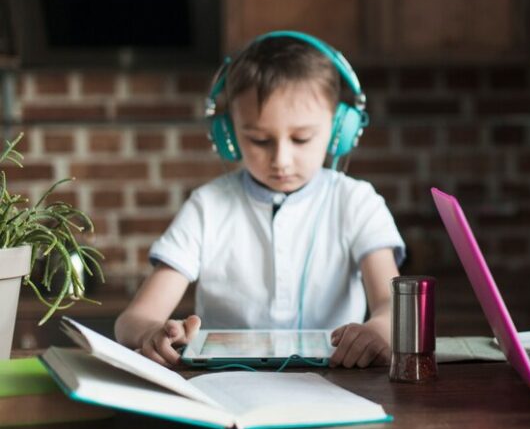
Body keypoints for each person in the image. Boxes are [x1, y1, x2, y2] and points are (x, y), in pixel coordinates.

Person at [115, 31, 404, 369]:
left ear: (340, 129)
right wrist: (152, 331)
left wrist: (378, 330)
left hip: (338, 380)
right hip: (225, 383)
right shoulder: (207, 206)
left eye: (301, 138)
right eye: (259, 140)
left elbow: (392, 305)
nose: (281, 160)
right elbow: (132, 320)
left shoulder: (357, 202)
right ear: (229, 136)